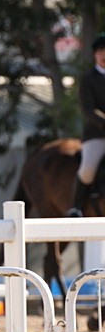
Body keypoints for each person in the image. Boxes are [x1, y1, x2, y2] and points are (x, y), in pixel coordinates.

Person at [66, 33, 105, 217]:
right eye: (100, 52)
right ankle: (76, 208)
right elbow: (88, 110)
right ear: (95, 55)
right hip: (97, 134)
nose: (103, 55)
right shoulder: (88, 79)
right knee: (88, 168)